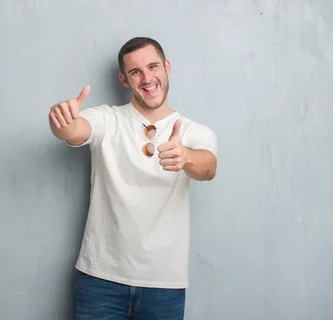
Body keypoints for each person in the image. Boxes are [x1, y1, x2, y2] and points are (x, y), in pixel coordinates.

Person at [48, 37, 218, 320]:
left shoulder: (192, 132)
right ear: (124, 80)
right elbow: (76, 131)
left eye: (153, 67)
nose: (147, 78)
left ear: (167, 67)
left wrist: (185, 156)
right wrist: (62, 122)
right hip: (100, 280)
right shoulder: (108, 119)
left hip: (164, 286)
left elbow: (208, 167)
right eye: (135, 71)